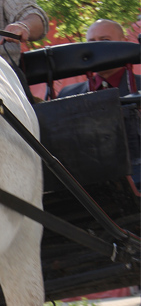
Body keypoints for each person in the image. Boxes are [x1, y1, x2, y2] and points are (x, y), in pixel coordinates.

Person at [58, 19, 140, 189]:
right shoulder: (67, 94)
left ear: (124, 44)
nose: (97, 48)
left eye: (104, 41)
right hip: (89, 190)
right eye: (91, 42)